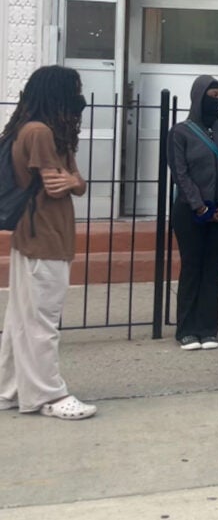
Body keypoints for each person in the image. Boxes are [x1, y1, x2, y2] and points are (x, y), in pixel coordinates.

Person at [0, 65, 95, 419]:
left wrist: (71, 180)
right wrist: (70, 180)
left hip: (33, 235)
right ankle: (48, 396)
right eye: (74, 90)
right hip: (45, 235)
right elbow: (57, 182)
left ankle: (10, 388)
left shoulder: (41, 129)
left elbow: (76, 181)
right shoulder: (40, 133)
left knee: (21, 319)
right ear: (57, 93)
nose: (79, 99)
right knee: (42, 321)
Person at [168, 75, 218, 351]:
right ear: (198, 97)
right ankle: (187, 329)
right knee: (192, 267)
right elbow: (180, 173)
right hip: (191, 211)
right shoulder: (180, 132)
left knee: (213, 270)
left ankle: (208, 328)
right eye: (212, 96)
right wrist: (199, 205)